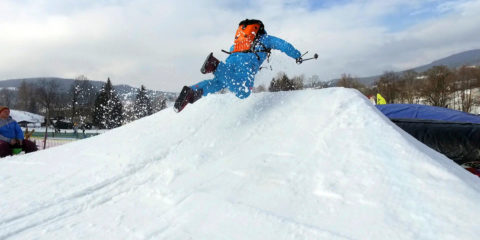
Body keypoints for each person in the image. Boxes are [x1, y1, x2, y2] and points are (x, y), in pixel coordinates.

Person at [174, 19, 303, 112]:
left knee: (220, 82)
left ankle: (193, 91)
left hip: (231, 62)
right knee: (243, 91)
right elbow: (284, 45)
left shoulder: (239, 43)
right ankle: (215, 65)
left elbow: (232, 51)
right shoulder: (267, 39)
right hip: (246, 63)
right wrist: (297, 55)